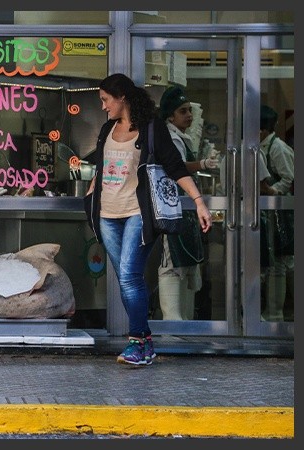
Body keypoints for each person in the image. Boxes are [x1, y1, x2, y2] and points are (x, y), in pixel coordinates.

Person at [84, 74, 212, 366]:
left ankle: (136, 342)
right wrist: (91, 198)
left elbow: (175, 167)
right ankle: (146, 343)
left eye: (105, 100)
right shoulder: (107, 130)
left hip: (137, 214)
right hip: (107, 215)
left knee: (129, 276)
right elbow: (101, 169)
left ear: (122, 98)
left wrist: (198, 201)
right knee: (127, 279)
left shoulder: (152, 129)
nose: (103, 106)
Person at [156, 86, 219, 320]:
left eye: (190, 110)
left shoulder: (182, 136)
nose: (189, 115)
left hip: (185, 210)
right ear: (170, 116)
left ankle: (184, 323)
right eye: (183, 111)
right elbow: (177, 167)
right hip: (173, 210)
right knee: (172, 265)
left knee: (184, 266)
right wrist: (202, 164)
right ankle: (173, 323)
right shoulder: (171, 137)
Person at [258, 105, 294, 321]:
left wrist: (271, 191)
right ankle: (272, 313)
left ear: (262, 129)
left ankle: (275, 314)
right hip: (268, 212)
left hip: (280, 212)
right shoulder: (262, 145)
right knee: (274, 263)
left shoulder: (277, 147)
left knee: (279, 263)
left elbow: (288, 177)